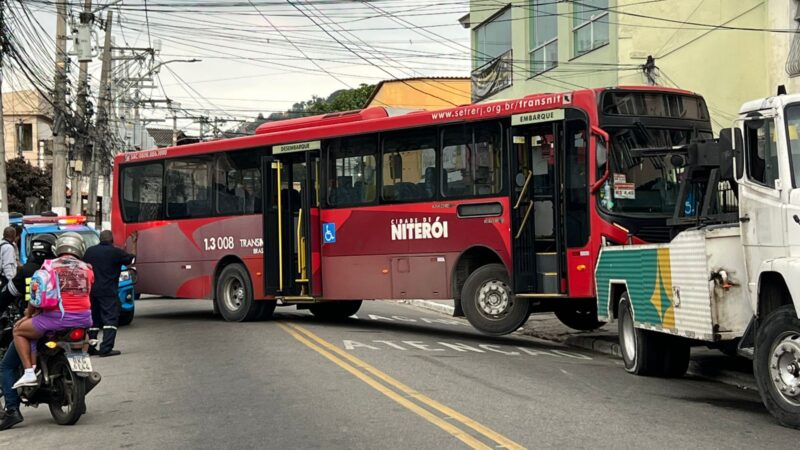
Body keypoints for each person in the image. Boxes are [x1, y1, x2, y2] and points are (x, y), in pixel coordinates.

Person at [11, 232, 93, 388]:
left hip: (57, 319)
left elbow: (36, 294)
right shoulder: (87, 269)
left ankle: (29, 372)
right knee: (85, 338)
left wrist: (28, 314)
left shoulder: (49, 266)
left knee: (18, 331)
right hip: (84, 319)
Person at [0, 234, 57, 430]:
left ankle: (12, 410)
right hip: (63, 322)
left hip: (36, 323)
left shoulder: (26, 271)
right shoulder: (58, 269)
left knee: (6, 366)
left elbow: (7, 295)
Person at [83, 230, 134, 357]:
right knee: (110, 318)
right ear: (112, 240)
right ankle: (106, 348)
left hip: (92, 291)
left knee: (93, 319)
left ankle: (91, 347)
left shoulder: (89, 252)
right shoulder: (115, 252)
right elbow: (131, 259)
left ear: (100, 239)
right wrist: (134, 243)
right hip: (108, 291)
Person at [0, 227, 18, 315]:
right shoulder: (8, 247)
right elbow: (7, 265)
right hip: (6, 278)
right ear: (13, 235)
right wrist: (11, 280)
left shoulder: (2, 244)